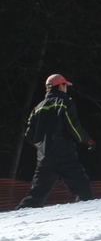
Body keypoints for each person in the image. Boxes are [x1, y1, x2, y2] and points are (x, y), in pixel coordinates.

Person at [17, 74, 96, 209]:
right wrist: (87, 140)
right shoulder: (65, 102)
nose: (66, 88)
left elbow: (29, 134)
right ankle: (87, 217)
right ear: (60, 86)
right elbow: (73, 126)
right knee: (83, 188)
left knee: (36, 194)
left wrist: (42, 146)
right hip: (64, 155)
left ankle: (19, 218)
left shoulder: (38, 108)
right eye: (65, 85)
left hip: (44, 157)